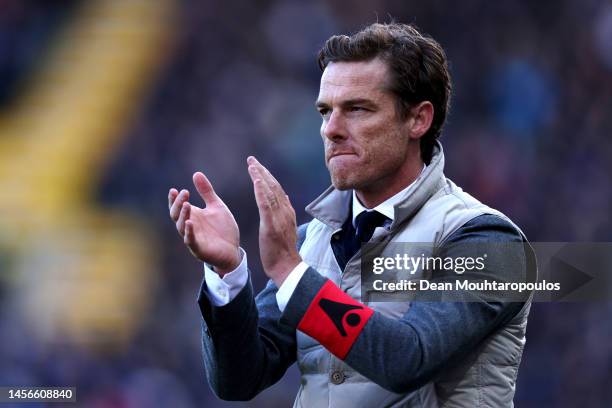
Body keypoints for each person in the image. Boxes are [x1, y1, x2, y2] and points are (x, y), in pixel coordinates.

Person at [168, 23, 534, 407]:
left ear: (418, 119)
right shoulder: (313, 240)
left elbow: (408, 359)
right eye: (326, 111)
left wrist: (292, 273)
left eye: (357, 109)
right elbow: (239, 380)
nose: (331, 129)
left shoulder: (490, 241)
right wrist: (229, 274)